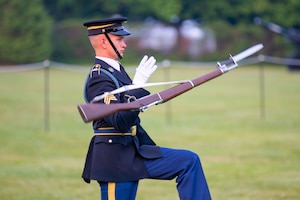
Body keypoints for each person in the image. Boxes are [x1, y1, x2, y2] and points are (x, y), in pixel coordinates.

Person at [81, 16, 211, 200]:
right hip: (115, 160)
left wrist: (140, 97)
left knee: (189, 161)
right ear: (103, 41)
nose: (124, 44)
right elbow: (120, 122)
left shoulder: (116, 70)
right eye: (119, 39)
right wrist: (138, 86)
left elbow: (126, 108)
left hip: (134, 151)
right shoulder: (99, 77)